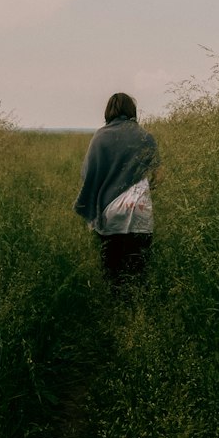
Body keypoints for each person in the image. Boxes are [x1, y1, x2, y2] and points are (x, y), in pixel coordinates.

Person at [74, 92, 160, 293]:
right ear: (132, 111)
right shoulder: (146, 136)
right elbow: (160, 175)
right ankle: (137, 312)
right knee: (139, 269)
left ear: (109, 112)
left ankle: (116, 310)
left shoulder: (100, 137)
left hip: (110, 210)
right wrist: (148, 189)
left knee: (113, 272)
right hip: (141, 209)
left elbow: (88, 174)